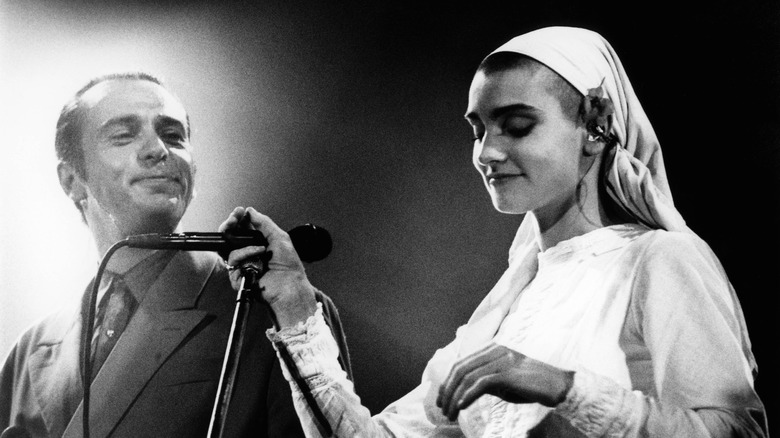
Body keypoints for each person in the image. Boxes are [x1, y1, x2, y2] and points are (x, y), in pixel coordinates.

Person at [219, 26, 769, 437]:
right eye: (478, 129)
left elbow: (736, 431)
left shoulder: (663, 258)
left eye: (517, 125)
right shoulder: (507, 303)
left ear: (597, 127)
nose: (487, 152)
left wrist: (565, 387)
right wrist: (294, 307)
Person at [0, 72, 352, 438]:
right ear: (71, 180)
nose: (158, 149)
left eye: (173, 136)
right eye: (123, 135)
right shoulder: (28, 352)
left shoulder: (279, 313)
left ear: (193, 174)